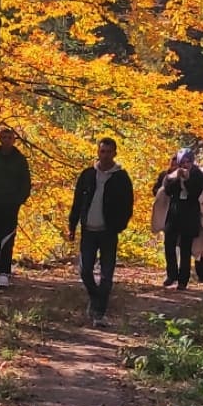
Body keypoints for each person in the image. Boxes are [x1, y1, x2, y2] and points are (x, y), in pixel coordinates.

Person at [68, 136, 135, 325]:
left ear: (115, 153)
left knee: (107, 274)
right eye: (102, 151)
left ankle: (99, 313)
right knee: (85, 270)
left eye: (109, 151)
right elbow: (77, 202)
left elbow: (127, 205)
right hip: (88, 230)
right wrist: (72, 225)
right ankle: (95, 298)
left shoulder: (121, 178)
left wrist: (119, 226)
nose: (105, 155)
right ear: (98, 152)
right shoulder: (87, 175)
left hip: (108, 232)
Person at [0, 124, 32, 287]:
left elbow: (25, 182)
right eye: (4, 137)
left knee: (7, 237)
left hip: (11, 204)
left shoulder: (19, 159)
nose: (7, 140)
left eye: (10, 138)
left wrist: (19, 199)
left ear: (14, 140)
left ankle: (5, 272)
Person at [154, 149, 203, 290]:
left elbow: (196, 193)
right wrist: (176, 177)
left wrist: (187, 180)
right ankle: (172, 275)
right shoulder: (174, 173)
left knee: (185, 248)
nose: (185, 164)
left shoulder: (198, 175)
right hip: (174, 213)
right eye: (182, 162)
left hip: (189, 214)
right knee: (169, 244)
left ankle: (183, 280)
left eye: (188, 161)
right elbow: (167, 190)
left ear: (192, 161)